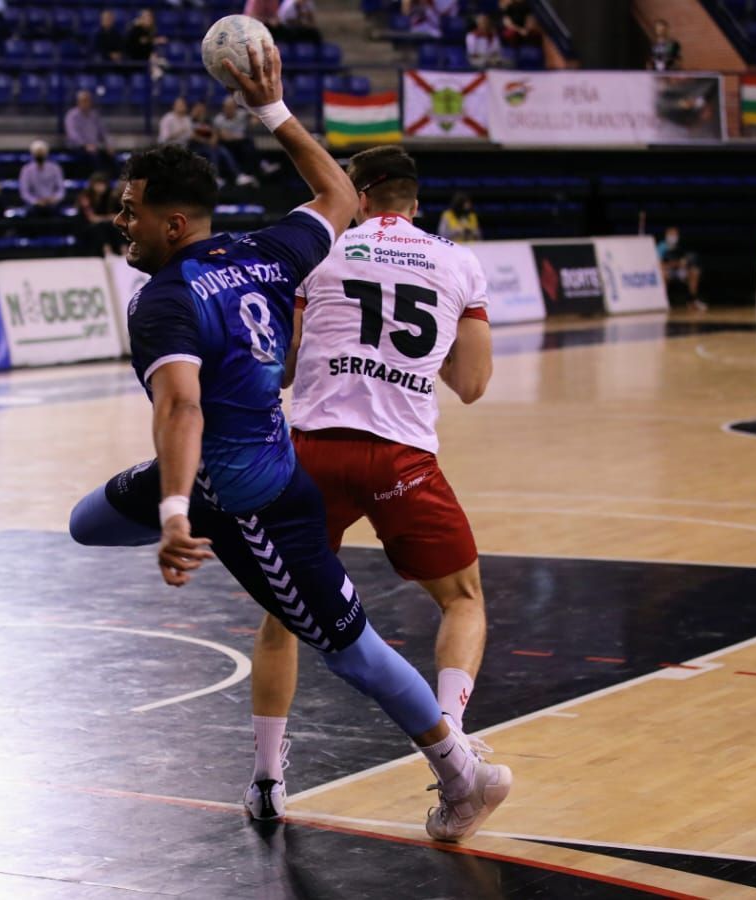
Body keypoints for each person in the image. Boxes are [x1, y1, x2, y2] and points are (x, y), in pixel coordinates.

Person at [67, 41, 510, 842]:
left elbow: (181, 409)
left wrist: (174, 511)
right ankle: (407, 757)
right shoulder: (265, 254)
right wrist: (270, 108)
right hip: (271, 465)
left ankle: (461, 772)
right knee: (83, 523)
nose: (119, 222)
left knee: (351, 651)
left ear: (172, 224)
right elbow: (337, 190)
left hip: (257, 500)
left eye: (129, 211)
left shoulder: (165, 301)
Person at [242, 145, 497, 821]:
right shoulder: (459, 262)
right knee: (464, 597)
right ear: (414, 201)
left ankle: (268, 780)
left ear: (357, 197)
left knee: (283, 613)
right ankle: (454, 748)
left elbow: (286, 366)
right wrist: (413, 353)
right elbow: (472, 385)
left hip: (311, 455)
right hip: (400, 460)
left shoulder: (320, 253)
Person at [64, 89, 116, 174]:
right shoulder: (72, 115)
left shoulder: (94, 115)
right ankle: (96, 181)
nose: (86, 103)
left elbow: (104, 132)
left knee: (111, 157)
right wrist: (85, 145)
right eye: (84, 101)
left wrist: (109, 144)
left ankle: (115, 182)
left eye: (88, 100)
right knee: (92, 157)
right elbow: (73, 135)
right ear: (78, 102)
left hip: (94, 147)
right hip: (78, 147)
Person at [657, 226, 704, 310]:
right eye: (671, 234)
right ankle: (662, 302)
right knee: (662, 274)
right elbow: (659, 264)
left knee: (695, 272)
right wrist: (676, 264)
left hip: (679, 271)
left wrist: (686, 264)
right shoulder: (661, 247)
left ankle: (692, 300)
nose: (673, 236)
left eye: (675, 234)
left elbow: (687, 261)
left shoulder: (680, 246)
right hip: (667, 271)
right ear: (666, 235)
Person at [77, 171, 123, 255]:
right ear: (92, 185)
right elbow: (92, 218)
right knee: (99, 227)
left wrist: (108, 218)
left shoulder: (110, 196)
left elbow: (117, 215)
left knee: (115, 226)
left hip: (105, 223)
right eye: (97, 184)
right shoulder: (85, 196)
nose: (100, 187)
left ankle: (123, 250)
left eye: (102, 184)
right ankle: (107, 251)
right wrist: (108, 218)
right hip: (87, 225)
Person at [214, 96, 260, 178]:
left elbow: (256, 116)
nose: (229, 109)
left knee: (249, 145)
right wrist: (239, 136)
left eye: (231, 107)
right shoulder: (219, 119)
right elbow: (225, 137)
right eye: (227, 107)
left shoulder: (241, 114)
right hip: (227, 144)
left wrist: (253, 119)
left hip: (241, 143)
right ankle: (245, 173)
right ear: (223, 107)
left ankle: (251, 173)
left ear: (235, 107)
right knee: (247, 142)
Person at [18, 139, 65, 217]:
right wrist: (36, 201)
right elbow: (24, 192)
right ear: (33, 153)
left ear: (46, 153)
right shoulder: (26, 170)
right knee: (31, 211)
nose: (40, 154)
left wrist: (54, 198)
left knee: (55, 211)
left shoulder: (55, 168)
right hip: (34, 203)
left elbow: (61, 189)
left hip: (52, 202)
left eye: (42, 152)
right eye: (37, 152)